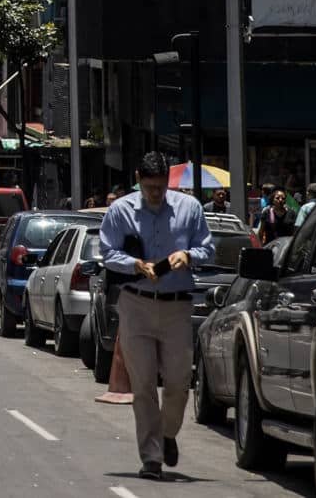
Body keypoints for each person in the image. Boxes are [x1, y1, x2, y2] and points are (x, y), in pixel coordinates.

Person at [99, 150, 212, 481]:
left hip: (177, 306)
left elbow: (208, 248)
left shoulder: (190, 208)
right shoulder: (120, 210)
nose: (155, 194)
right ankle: (151, 457)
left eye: (160, 187)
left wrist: (188, 255)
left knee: (178, 383)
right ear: (138, 179)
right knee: (144, 384)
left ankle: (167, 433)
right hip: (137, 303)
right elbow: (107, 253)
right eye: (149, 187)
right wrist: (134, 264)